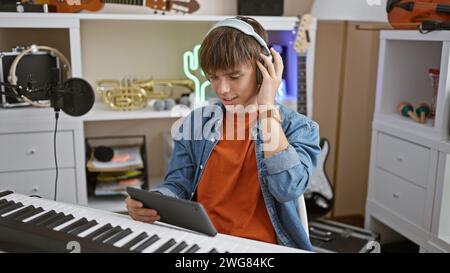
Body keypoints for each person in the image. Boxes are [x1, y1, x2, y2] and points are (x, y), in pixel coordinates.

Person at [126, 16, 320, 251]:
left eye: (234, 76)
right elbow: (178, 185)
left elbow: (287, 189)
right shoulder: (196, 123)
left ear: (263, 70)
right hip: (202, 244)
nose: (222, 89)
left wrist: (267, 109)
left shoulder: (300, 128)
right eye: (213, 77)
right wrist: (151, 201)